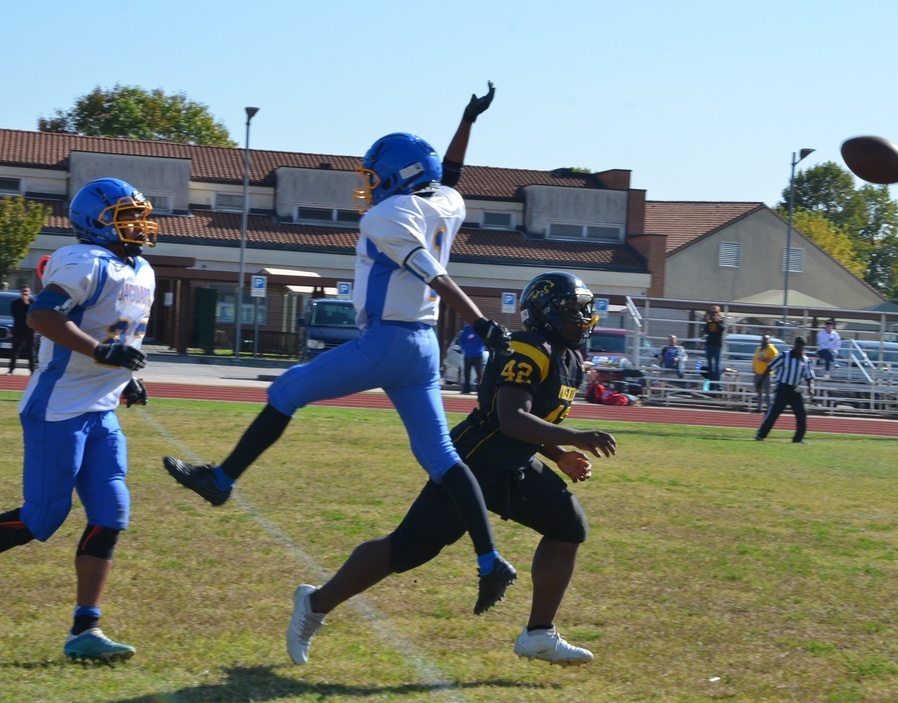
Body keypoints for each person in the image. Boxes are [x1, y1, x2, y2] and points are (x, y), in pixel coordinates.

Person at [163, 82, 518, 615]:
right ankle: (491, 560)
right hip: (422, 346)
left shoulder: (387, 216)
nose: (368, 186)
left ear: (398, 178)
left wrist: (482, 322)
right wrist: (468, 120)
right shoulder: (444, 200)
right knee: (441, 456)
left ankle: (221, 479)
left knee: (286, 390)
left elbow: (431, 270)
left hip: (389, 341)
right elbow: (451, 172)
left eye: (374, 176)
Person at [285, 271, 616, 667]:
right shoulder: (528, 350)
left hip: (514, 464)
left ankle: (539, 635)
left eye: (584, 310)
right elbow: (510, 419)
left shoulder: (568, 357)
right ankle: (315, 603)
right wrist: (576, 437)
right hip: (474, 463)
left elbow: (528, 422)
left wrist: (558, 453)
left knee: (568, 525)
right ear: (545, 313)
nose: (582, 318)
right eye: (572, 310)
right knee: (408, 549)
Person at [0, 178, 155, 661]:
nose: (137, 224)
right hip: (59, 408)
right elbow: (42, 319)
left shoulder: (143, 269)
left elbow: (116, 331)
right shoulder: (84, 259)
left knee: (111, 513)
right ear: (94, 221)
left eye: (138, 214)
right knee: (42, 517)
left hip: (101, 411)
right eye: (124, 217)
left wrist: (122, 374)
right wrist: (104, 352)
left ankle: (85, 630)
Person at [755, 336, 816, 443]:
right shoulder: (784, 356)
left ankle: (798, 438)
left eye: (802, 346)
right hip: (783, 388)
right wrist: (760, 382)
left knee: (802, 413)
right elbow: (770, 367)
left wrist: (811, 389)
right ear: (794, 345)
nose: (799, 348)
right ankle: (761, 434)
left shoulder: (805, 360)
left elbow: (809, 377)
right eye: (798, 345)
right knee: (774, 413)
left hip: (795, 389)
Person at [7, 285, 35, 374]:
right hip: (18, 329)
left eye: (27, 291)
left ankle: (32, 370)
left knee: (31, 351)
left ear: (30, 293)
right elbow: (16, 314)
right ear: (20, 292)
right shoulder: (15, 303)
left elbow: (33, 314)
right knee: (15, 350)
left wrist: (27, 304)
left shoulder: (33, 302)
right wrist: (25, 312)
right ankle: (11, 370)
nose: (25, 293)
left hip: (29, 329)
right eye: (23, 291)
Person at [752, 333, 780, 413]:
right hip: (758, 373)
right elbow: (754, 360)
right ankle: (759, 408)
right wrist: (754, 369)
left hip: (767, 374)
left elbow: (775, 362)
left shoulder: (772, 350)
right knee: (759, 392)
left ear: (769, 340)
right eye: (764, 338)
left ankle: (769, 408)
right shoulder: (758, 349)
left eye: (766, 339)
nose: (765, 340)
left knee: (768, 393)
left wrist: (765, 360)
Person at [459, 321, 486, 394]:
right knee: (466, 374)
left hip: (478, 355)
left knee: (479, 374)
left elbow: (484, 340)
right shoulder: (467, 328)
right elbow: (461, 340)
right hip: (468, 355)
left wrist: (479, 348)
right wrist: (465, 348)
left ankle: (480, 390)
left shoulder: (480, 329)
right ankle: (466, 389)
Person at [703, 305, 725, 390]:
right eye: (712, 313)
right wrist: (708, 321)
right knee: (710, 366)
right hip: (709, 345)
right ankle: (710, 386)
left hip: (717, 346)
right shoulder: (709, 322)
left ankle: (719, 386)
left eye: (715, 313)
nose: (714, 314)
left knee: (717, 366)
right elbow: (705, 330)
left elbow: (722, 329)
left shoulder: (720, 321)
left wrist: (717, 321)